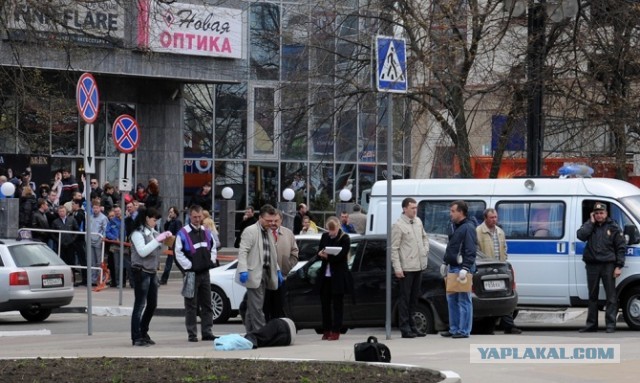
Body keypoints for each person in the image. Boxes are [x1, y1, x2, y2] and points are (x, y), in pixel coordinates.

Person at [576, 202, 626, 333]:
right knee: (592, 296)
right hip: (592, 264)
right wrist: (591, 222)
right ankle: (591, 325)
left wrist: (618, 266)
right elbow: (581, 236)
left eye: (601, 213)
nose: (599, 215)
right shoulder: (589, 225)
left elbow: (621, 248)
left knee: (611, 296)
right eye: (596, 213)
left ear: (606, 213)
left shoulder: (613, 227)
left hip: (608, 265)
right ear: (593, 214)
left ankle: (610, 325)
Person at [129, 207, 173, 346]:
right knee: (140, 305)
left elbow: (162, 248)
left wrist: (167, 239)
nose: (156, 222)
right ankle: (136, 337)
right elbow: (142, 252)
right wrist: (157, 240)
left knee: (152, 304)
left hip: (152, 271)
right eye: (154, 220)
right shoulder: (137, 233)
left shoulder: (153, 232)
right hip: (141, 271)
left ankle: (143, 332)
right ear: (147, 218)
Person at [174, 205, 218, 342]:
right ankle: (192, 334)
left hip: (205, 273)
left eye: (199, 217)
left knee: (207, 304)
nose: (197, 219)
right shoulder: (183, 233)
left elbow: (213, 248)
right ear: (189, 216)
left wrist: (211, 260)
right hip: (190, 274)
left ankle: (207, 332)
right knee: (191, 306)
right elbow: (178, 253)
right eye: (195, 217)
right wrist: (189, 267)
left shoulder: (206, 231)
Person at [237, 204, 282, 333]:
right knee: (257, 306)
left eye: (273, 220)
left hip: (265, 273)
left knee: (253, 306)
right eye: (268, 220)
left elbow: (271, 253)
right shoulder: (250, 231)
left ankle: (251, 334)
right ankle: (261, 333)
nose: (271, 223)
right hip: (254, 273)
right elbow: (243, 251)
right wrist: (243, 270)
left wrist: (277, 269)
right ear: (260, 217)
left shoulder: (268, 232)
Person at [476, 208, 522, 334]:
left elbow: (504, 248)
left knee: (504, 295)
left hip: (499, 267)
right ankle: (490, 327)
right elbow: (476, 250)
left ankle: (508, 325)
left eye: (495, 217)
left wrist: (504, 261)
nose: (494, 220)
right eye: (491, 218)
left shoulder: (500, 232)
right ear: (485, 218)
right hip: (485, 268)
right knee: (491, 297)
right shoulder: (478, 232)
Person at [391, 197, 429, 338]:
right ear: (404, 208)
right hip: (407, 267)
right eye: (412, 208)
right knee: (405, 299)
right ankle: (405, 327)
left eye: (416, 208)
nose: (415, 210)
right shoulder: (398, 225)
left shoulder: (418, 221)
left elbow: (425, 237)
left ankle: (413, 326)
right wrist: (397, 268)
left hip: (418, 265)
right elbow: (394, 248)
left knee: (414, 298)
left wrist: (425, 250)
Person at [441, 200, 477, 339]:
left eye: (453, 211)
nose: (451, 213)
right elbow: (451, 246)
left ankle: (463, 331)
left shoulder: (468, 227)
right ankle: (454, 328)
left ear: (461, 212)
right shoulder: (454, 226)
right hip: (453, 266)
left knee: (463, 300)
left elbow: (470, 249)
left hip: (462, 268)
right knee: (451, 299)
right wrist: (445, 261)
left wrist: (466, 267)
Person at [317, 216, 352, 341]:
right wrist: (321, 254)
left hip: (338, 276)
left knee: (337, 305)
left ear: (338, 227)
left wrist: (328, 257)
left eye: (333, 230)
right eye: (329, 230)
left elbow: (341, 256)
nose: (331, 233)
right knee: (325, 305)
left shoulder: (345, 238)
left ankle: (336, 330)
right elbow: (320, 250)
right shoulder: (325, 236)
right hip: (325, 276)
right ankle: (326, 329)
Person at [264, 210, 299, 321]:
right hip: (266, 279)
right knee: (265, 308)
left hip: (282, 279)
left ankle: (276, 333)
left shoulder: (288, 233)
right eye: (271, 220)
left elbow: (295, 253)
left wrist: (287, 266)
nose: (273, 223)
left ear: (281, 220)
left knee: (279, 309)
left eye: (276, 220)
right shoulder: (263, 233)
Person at [160, 206, 183, 285]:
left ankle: (164, 279)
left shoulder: (177, 222)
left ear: (175, 213)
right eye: (169, 212)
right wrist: (167, 221)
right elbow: (166, 229)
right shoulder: (171, 221)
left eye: (171, 212)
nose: (170, 214)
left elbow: (178, 233)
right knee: (169, 262)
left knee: (172, 262)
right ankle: (164, 279)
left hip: (175, 244)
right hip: (170, 244)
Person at [88, 200, 109, 285]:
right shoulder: (90, 217)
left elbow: (105, 230)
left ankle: (100, 278)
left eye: (97, 208)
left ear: (100, 208)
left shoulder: (103, 218)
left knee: (99, 261)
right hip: (90, 241)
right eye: (94, 208)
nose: (95, 209)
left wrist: (102, 239)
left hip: (98, 242)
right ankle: (93, 279)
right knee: (92, 261)